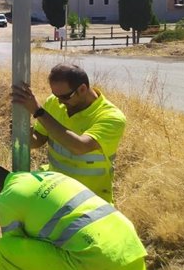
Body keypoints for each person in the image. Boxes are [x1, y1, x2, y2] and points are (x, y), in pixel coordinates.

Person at [0, 164, 147, 270]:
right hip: (130, 248)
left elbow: (18, 249)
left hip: (96, 259)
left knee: (4, 248)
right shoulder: (48, 175)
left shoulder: (6, 197)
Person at [12, 63, 126, 203]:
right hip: (56, 194)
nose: (60, 101)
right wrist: (24, 133)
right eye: (56, 95)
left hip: (91, 201)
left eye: (65, 97)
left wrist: (38, 112)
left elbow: (80, 147)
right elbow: (39, 139)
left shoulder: (111, 117)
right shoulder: (54, 103)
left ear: (82, 89)